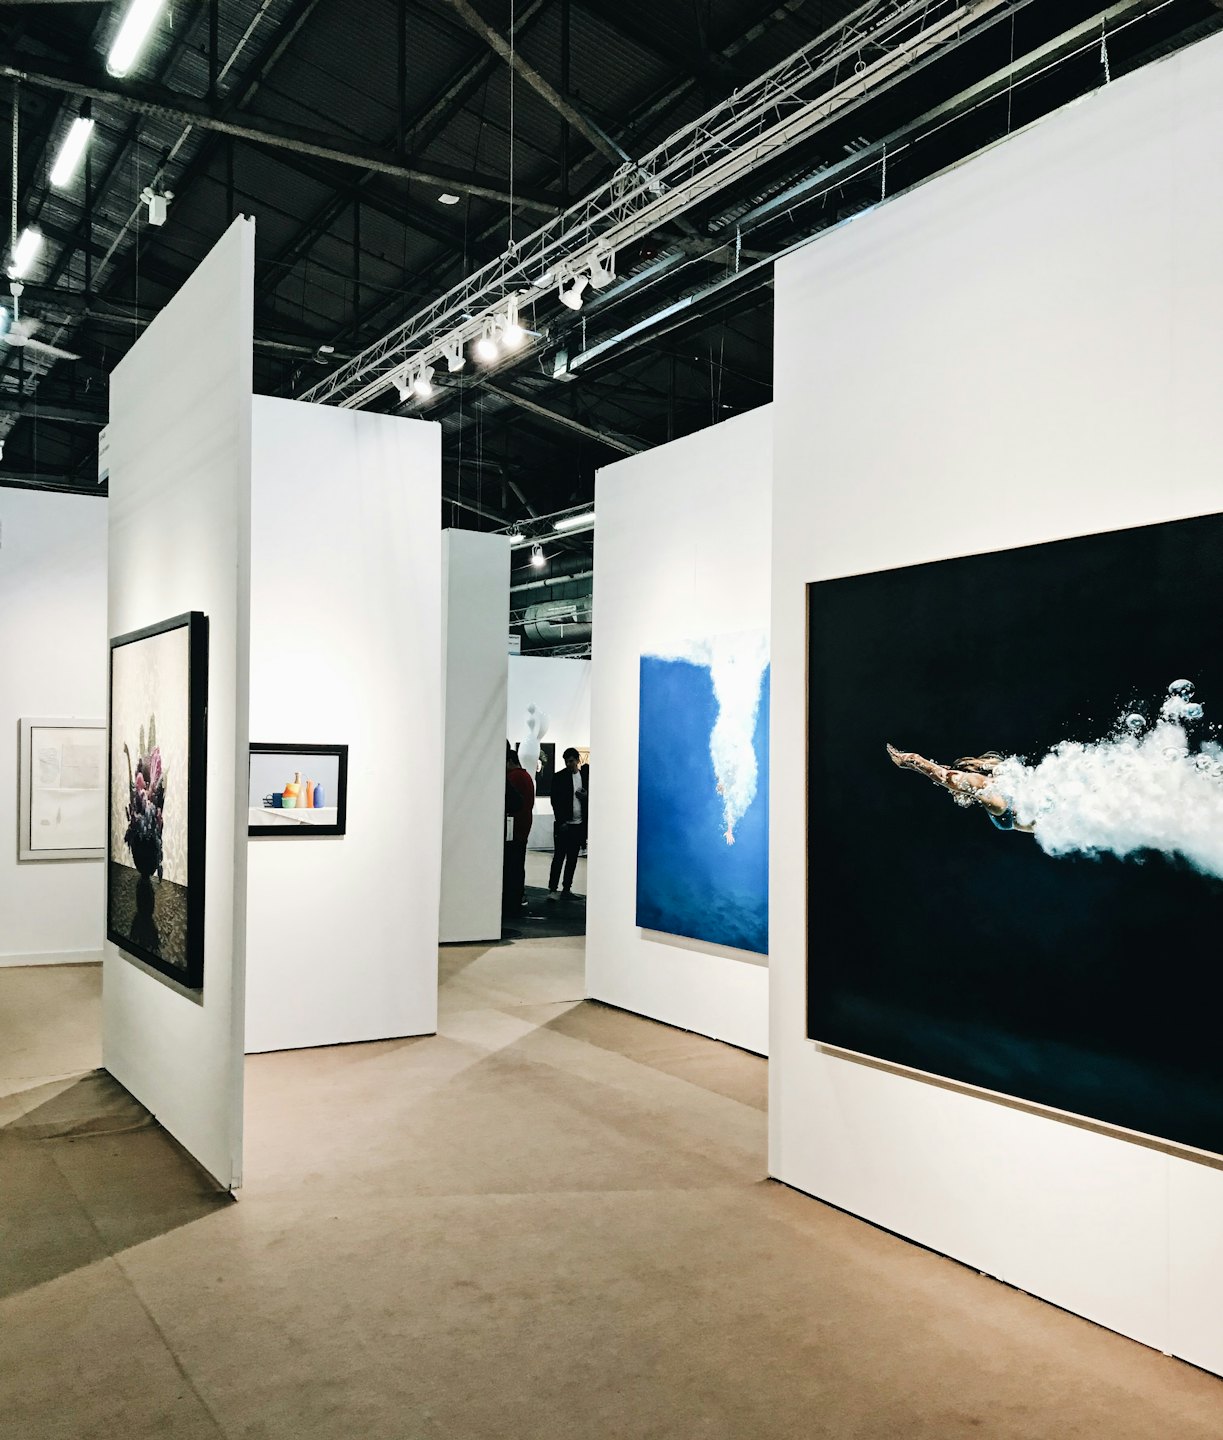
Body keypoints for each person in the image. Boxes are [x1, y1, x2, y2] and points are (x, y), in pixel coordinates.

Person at [885, 743, 1036, 834]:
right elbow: (943, 774)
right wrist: (912, 765)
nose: (953, 792)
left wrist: (911, 759)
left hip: (1007, 810)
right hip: (1019, 812)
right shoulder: (987, 786)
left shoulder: (983, 784)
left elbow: (944, 776)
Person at [548, 747, 589, 898]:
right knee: (559, 857)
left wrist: (586, 796)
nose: (568, 764)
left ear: (577, 760)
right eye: (566, 761)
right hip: (564, 825)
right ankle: (553, 889)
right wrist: (561, 821)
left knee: (572, 858)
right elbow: (555, 801)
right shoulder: (559, 777)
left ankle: (566, 888)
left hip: (578, 825)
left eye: (571, 761)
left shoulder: (585, 777)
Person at [503, 742, 535, 919]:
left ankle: (511, 900)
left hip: (513, 829)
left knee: (511, 866)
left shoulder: (513, 777)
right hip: (523, 827)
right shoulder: (527, 776)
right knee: (518, 865)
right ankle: (517, 897)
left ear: (509, 761)